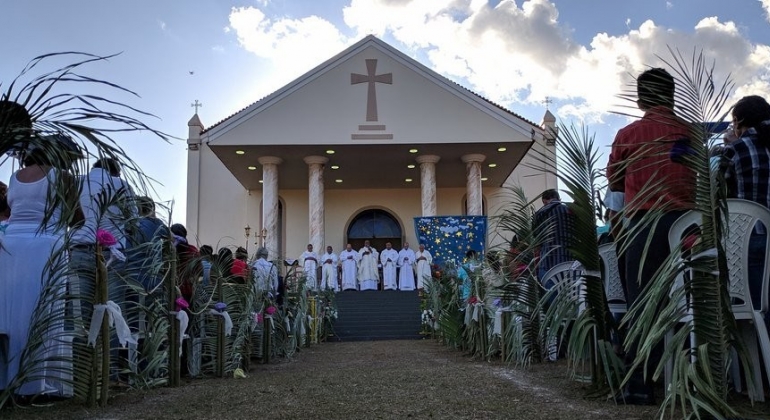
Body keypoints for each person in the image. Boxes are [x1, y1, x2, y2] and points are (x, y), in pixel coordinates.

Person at [606, 67, 694, 405]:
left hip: (645, 229)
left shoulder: (629, 134)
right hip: (692, 230)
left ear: (641, 99)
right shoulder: (691, 134)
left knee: (641, 304)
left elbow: (615, 189)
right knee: (692, 301)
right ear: (672, 95)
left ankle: (640, 385)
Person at [0, 129, 82, 397]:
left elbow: (13, 211)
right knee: (44, 311)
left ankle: (6, 377)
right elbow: (76, 218)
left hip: (10, 247)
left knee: (10, 312)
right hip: (45, 246)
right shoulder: (64, 177)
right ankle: (36, 380)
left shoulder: (14, 177)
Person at [721, 95, 770, 315]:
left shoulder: (736, 149)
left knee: (757, 309)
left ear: (738, 122)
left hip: (752, 239)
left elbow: (715, 193)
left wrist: (727, 147)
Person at [532, 189, 574, 281]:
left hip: (549, 265)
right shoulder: (570, 210)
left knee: (551, 293)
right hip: (570, 264)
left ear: (544, 201)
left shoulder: (540, 214)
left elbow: (537, 242)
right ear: (558, 198)